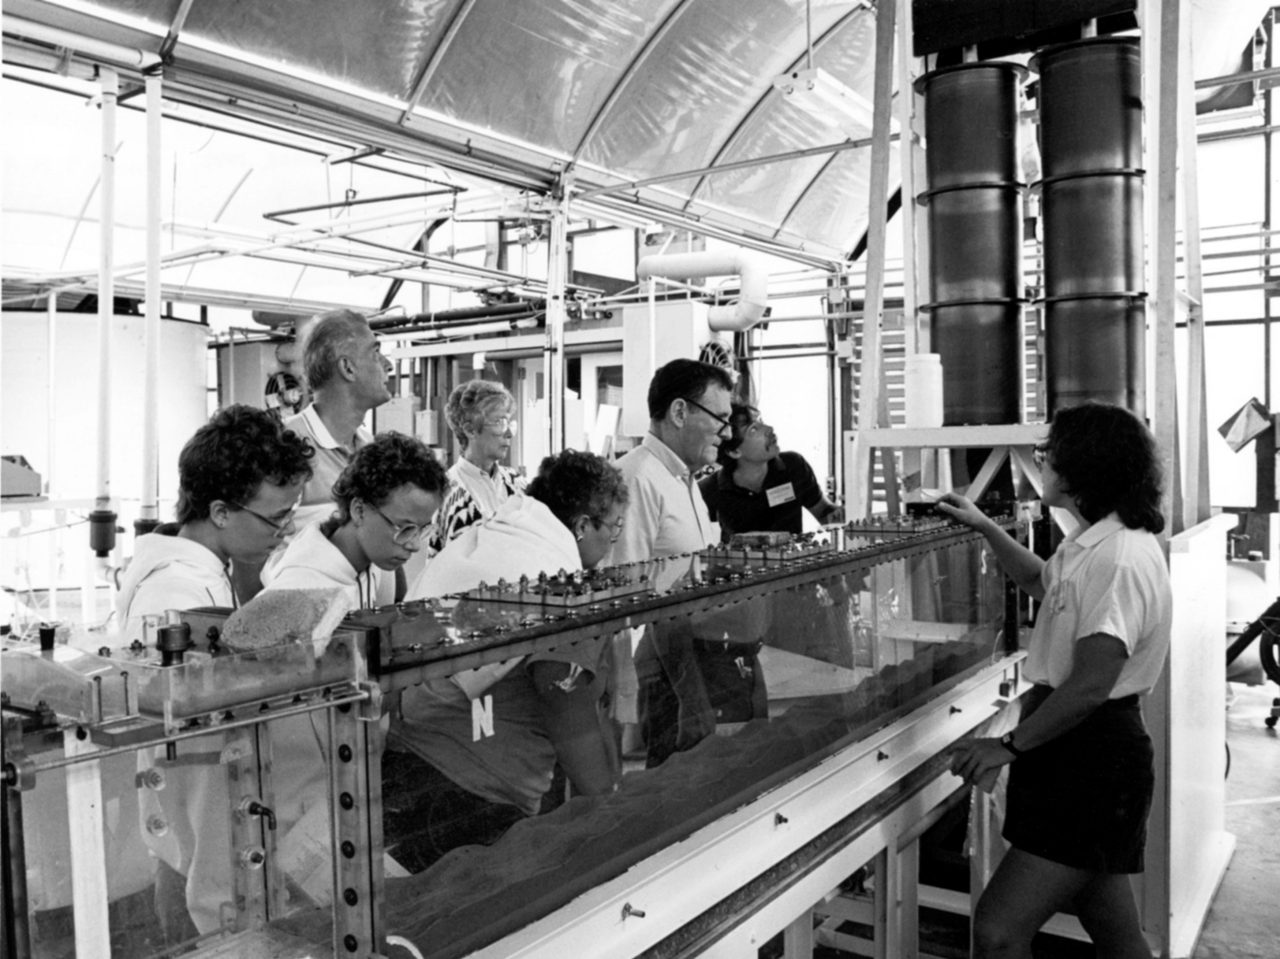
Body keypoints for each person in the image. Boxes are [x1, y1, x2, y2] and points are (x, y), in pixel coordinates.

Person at [938, 402, 1172, 959]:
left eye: (1048, 452)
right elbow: (1041, 582)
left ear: (1082, 466)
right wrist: (985, 526)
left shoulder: (1118, 559)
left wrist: (1006, 747)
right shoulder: (1089, 542)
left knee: (997, 932)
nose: (1041, 461)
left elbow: (1091, 685)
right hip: (1073, 746)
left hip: (1091, 756)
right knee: (1114, 928)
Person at [116, 404, 314, 941]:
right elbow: (198, 756)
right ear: (222, 511)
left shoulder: (202, 571)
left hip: (201, 849)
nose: (285, 530)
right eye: (276, 517)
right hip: (199, 860)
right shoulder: (178, 592)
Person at [383, 450, 628, 873]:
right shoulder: (558, 577)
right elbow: (562, 694)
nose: (615, 541)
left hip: (408, 758)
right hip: (469, 792)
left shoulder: (506, 533)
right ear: (583, 525)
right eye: (615, 527)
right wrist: (609, 808)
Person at [610, 358, 765, 768]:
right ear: (679, 412)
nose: (728, 433)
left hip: (695, 656)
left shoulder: (683, 480)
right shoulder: (639, 480)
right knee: (674, 783)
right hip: (667, 668)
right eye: (720, 418)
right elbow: (621, 596)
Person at [261, 431, 447, 609]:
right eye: (405, 529)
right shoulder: (301, 590)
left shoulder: (369, 563)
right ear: (359, 510)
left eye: (422, 531)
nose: (414, 546)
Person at [283, 309, 393, 530]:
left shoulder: (369, 448)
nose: (388, 364)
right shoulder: (284, 447)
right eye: (375, 352)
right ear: (347, 368)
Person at [698, 403, 843, 541]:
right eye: (753, 429)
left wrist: (840, 514)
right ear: (734, 451)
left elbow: (824, 512)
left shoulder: (793, 466)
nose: (769, 429)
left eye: (761, 421)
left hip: (792, 564)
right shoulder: (708, 491)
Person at [424, 378, 525, 555]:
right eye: (500, 422)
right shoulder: (446, 492)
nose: (509, 433)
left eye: (510, 423)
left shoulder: (517, 484)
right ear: (470, 430)